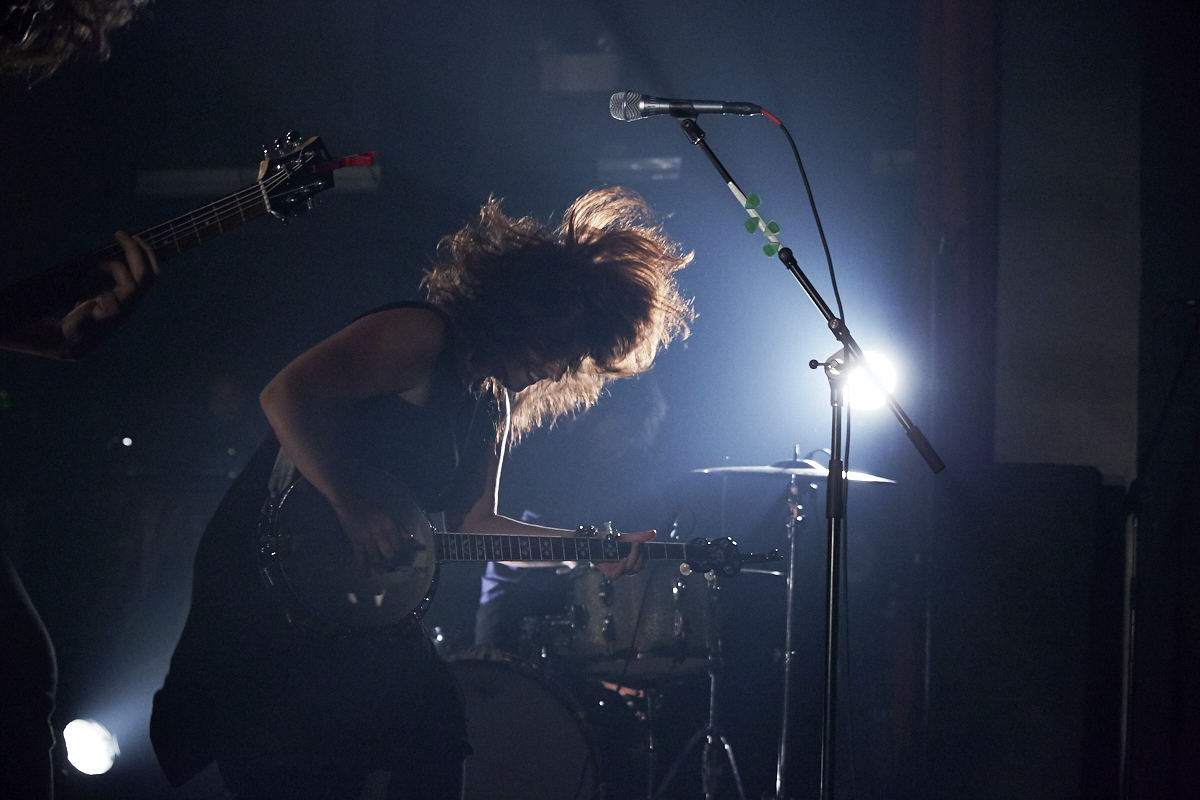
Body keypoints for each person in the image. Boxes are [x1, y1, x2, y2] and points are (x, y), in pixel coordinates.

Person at [150, 187, 694, 799]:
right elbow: (284, 396)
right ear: (525, 313)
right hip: (273, 575)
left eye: (578, 358)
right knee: (292, 761)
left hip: (359, 603)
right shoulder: (421, 335)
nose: (563, 368)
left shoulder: (492, 402)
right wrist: (351, 503)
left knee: (433, 735)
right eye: (561, 347)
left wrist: (587, 546)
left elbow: (473, 525)